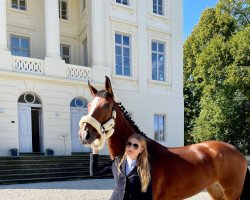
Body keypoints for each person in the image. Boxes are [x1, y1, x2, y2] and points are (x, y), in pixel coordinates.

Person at [90, 133, 152, 200]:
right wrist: (95, 151)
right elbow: (95, 172)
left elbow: (148, 195)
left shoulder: (145, 168)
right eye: (129, 144)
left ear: (141, 149)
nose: (131, 147)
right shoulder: (117, 162)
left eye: (135, 146)